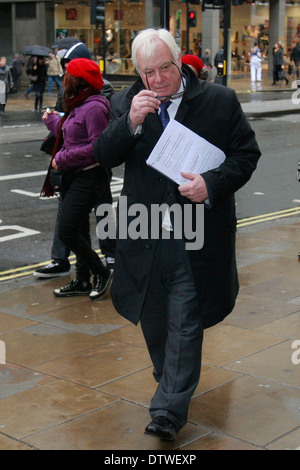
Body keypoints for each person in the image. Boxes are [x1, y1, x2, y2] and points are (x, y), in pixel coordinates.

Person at [93, 28, 261, 441]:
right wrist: (130, 121)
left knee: (186, 318)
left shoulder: (219, 100)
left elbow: (246, 155)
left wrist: (212, 183)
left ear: (179, 61)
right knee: (154, 321)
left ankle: (167, 410)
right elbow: (103, 156)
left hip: (197, 236)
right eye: (147, 72)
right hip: (144, 233)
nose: (157, 80)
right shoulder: (125, 102)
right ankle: (170, 377)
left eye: (164, 68)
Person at [34, 42, 115, 279]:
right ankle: (78, 274)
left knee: (88, 217)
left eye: (69, 70)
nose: (64, 74)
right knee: (75, 225)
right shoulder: (75, 95)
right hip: (73, 171)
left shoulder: (95, 100)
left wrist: (63, 156)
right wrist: (53, 121)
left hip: (89, 171)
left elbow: (95, 144)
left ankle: (106, 261)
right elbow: (71, 126)